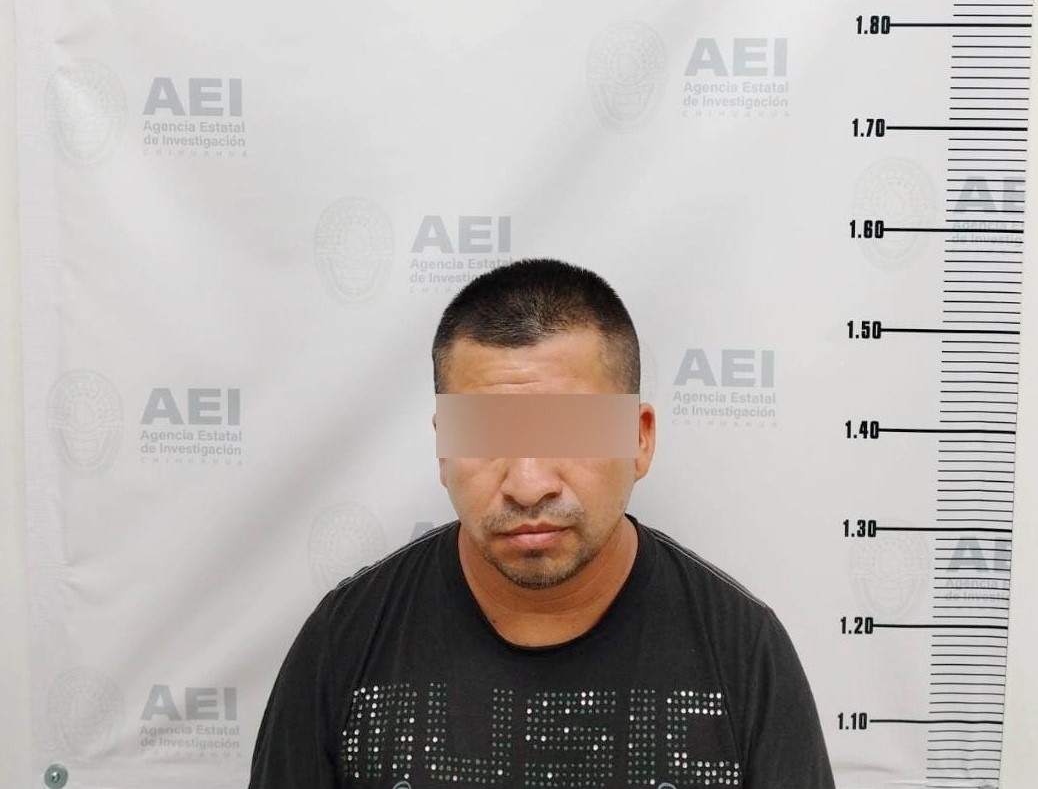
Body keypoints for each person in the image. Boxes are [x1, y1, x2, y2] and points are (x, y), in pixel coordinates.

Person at [248, 257, 836, 788]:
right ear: (444, 449)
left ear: (639, 439)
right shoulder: (345, 644)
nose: (529, 484)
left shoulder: (742, 653)